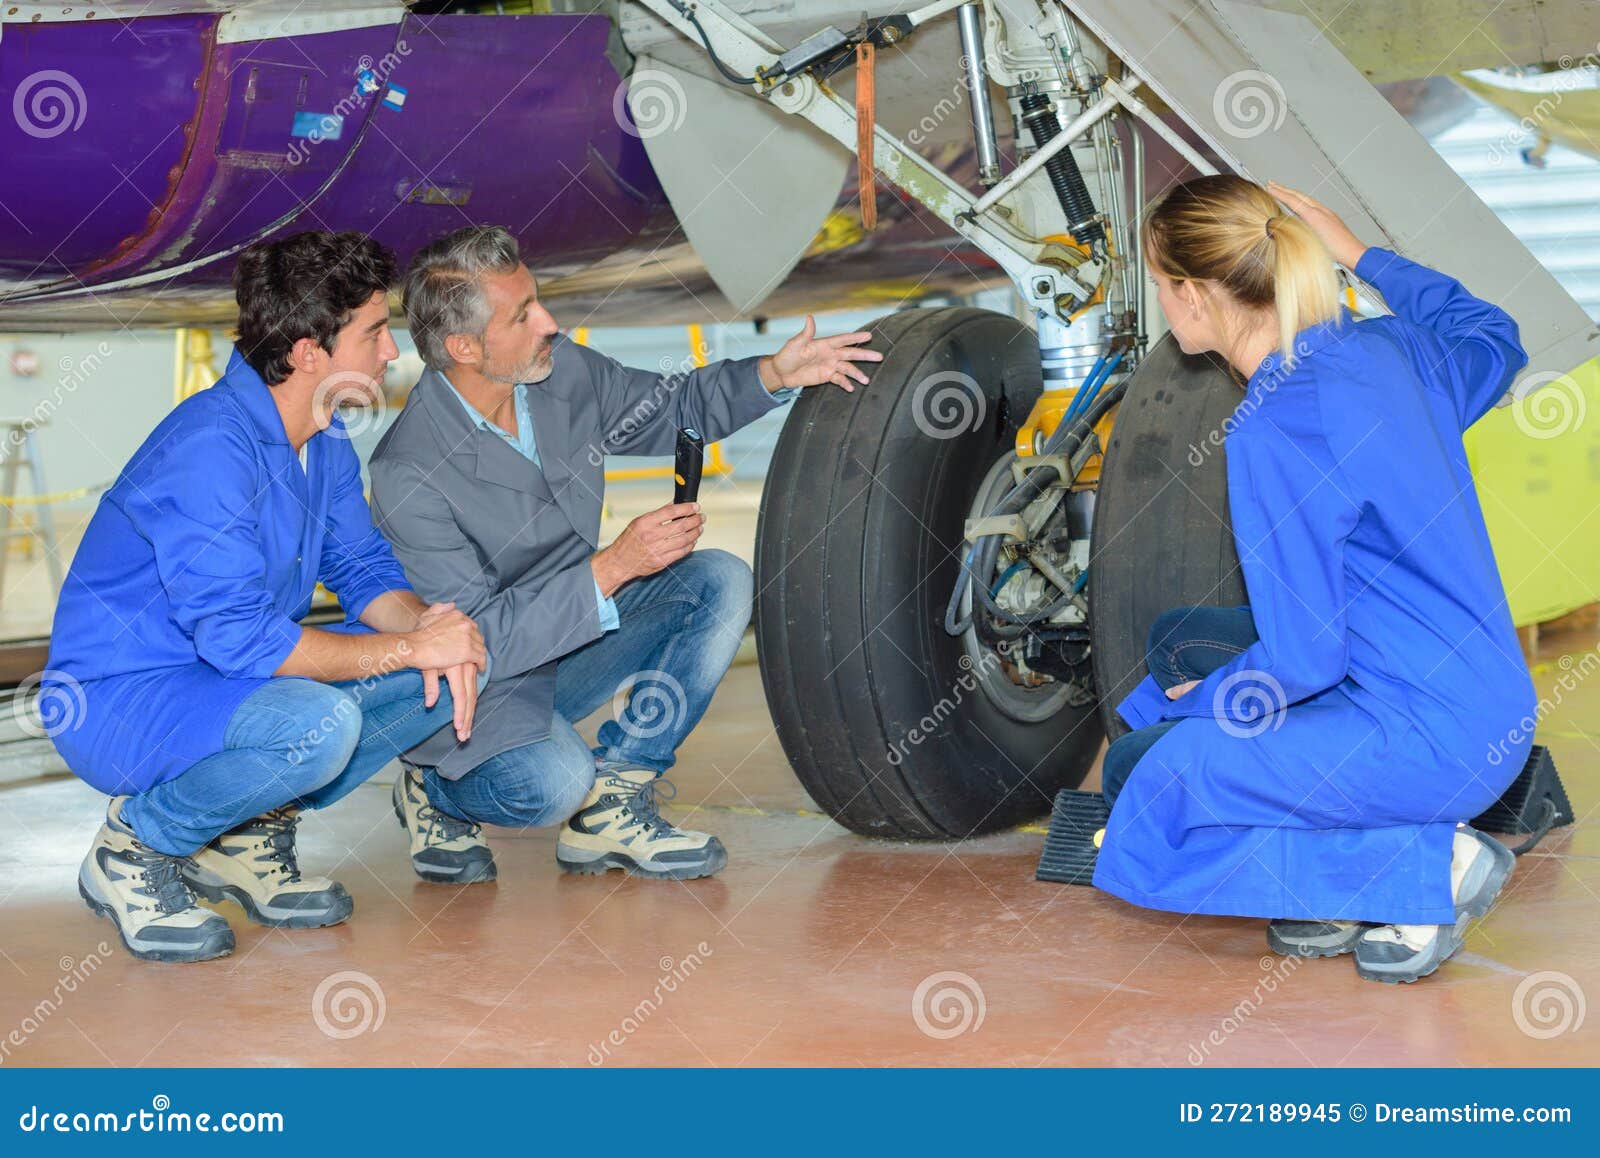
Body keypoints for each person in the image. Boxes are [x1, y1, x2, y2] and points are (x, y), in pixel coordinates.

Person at [1093, 175, 1535, 984]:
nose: (1162, 303)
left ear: (1195, 296)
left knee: (1143, 780)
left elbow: (1305, 660)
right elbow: (1495, 336)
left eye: (1160, 285)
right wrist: (1360, 254)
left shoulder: (1275, 428)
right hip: (1479, 693)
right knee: (1176, 648)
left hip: (1427, 738)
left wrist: (1218, 703)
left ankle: (1415, 871)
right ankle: (1346, 856)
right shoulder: (1385, 347)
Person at [369, 225, 880, 883]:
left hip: (574, 642)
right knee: (553, 781)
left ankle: (610, 807)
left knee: (717, 580)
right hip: (483, 688)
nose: (550, 323)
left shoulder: (564, 375)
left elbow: (679, 407)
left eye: (538, 301)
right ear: (464, 347)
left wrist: (774, 373)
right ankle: (431, 790)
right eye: (524, 316)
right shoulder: (408, 472)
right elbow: (475, 642)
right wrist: (613, 566)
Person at [44, 231, 486, 963]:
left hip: (216, 679)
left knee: (437, 672)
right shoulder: (210, 447)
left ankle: (245, 833)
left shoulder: (325, 436)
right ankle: (137, 846)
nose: (390, 352)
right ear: (311, 349)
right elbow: (241, 639)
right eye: (375, 332)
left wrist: (435, 630)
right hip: (118, 697)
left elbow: (363, 568)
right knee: (317, 723)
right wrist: (412, 643)